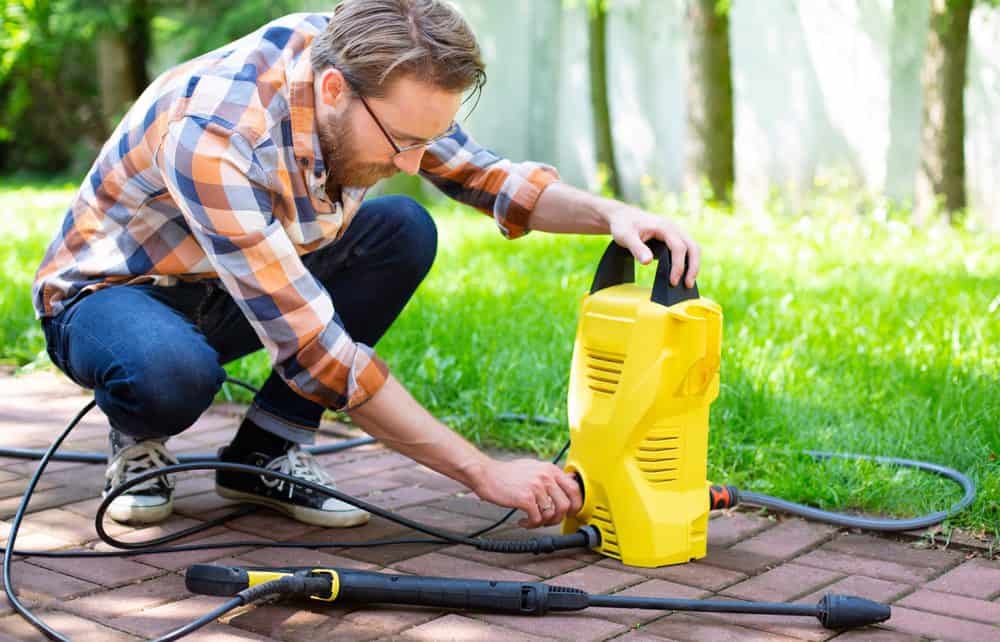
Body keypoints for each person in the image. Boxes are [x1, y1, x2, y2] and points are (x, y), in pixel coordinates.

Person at [32, 0, 700, 529]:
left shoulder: (372, 69)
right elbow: (319, 351)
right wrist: (480, 472)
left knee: (403, 228)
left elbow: (485, 176)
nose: (415, 164)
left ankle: (265, 452)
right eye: (403, 143)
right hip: (113, 296)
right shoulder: (216, 135)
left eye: (426, 141)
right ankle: (136, 430)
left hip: (232, 284)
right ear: (331, 90)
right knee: (171, 373)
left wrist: (610, 214)